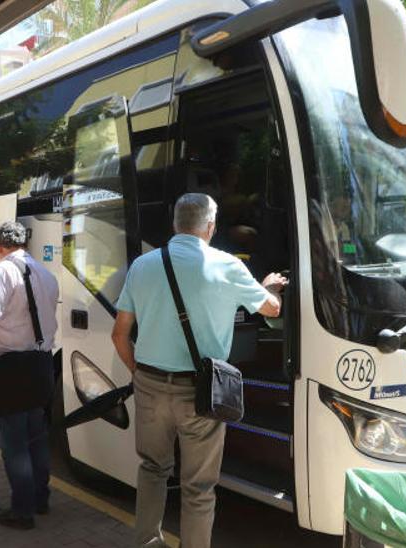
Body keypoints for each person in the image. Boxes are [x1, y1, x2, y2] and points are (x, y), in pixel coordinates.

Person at [111, 193, 286, 548]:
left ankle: (147, 543)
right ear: (211, 226)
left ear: (175, 224)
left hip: (149, 383)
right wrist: (268, 288)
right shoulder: (227, 265)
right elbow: (271, 310)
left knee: (152, 469)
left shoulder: (142, 265)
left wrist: (138, 375)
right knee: (199, 487)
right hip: (202, 392)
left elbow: (119, 335)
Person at [0, 221, 59, 530]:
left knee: (14, 443)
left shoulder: (2, 271)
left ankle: (22, 511)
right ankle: (40, 498)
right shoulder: (47, 275)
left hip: (9, 368)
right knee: (36, 435)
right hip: (40, 365)